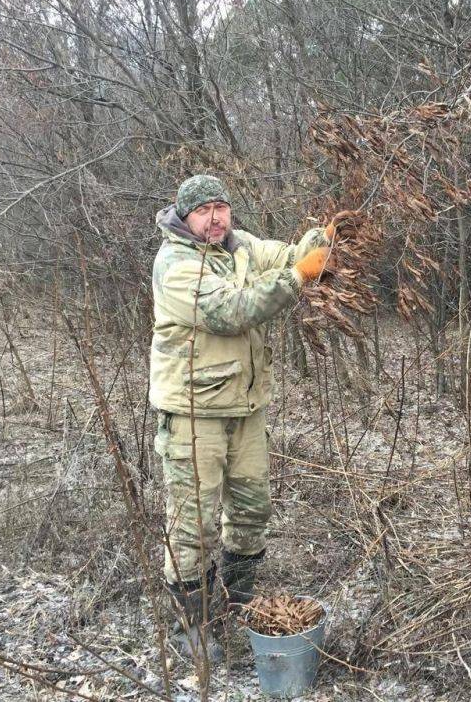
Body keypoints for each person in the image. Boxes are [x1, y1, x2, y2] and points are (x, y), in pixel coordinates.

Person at [149, 173, 357, 660]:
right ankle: (191, 627)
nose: (216, 217)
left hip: (245, 408)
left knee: (251, 511)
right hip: (193, 413)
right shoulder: (174, 263)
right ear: (185, 216)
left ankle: (234, 601)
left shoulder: (240, 246)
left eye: (221, 207)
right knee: (191, 524)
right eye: (205, 210)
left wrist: (323, 237)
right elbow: (230, 312)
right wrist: (300, 276)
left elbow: (286, 254)